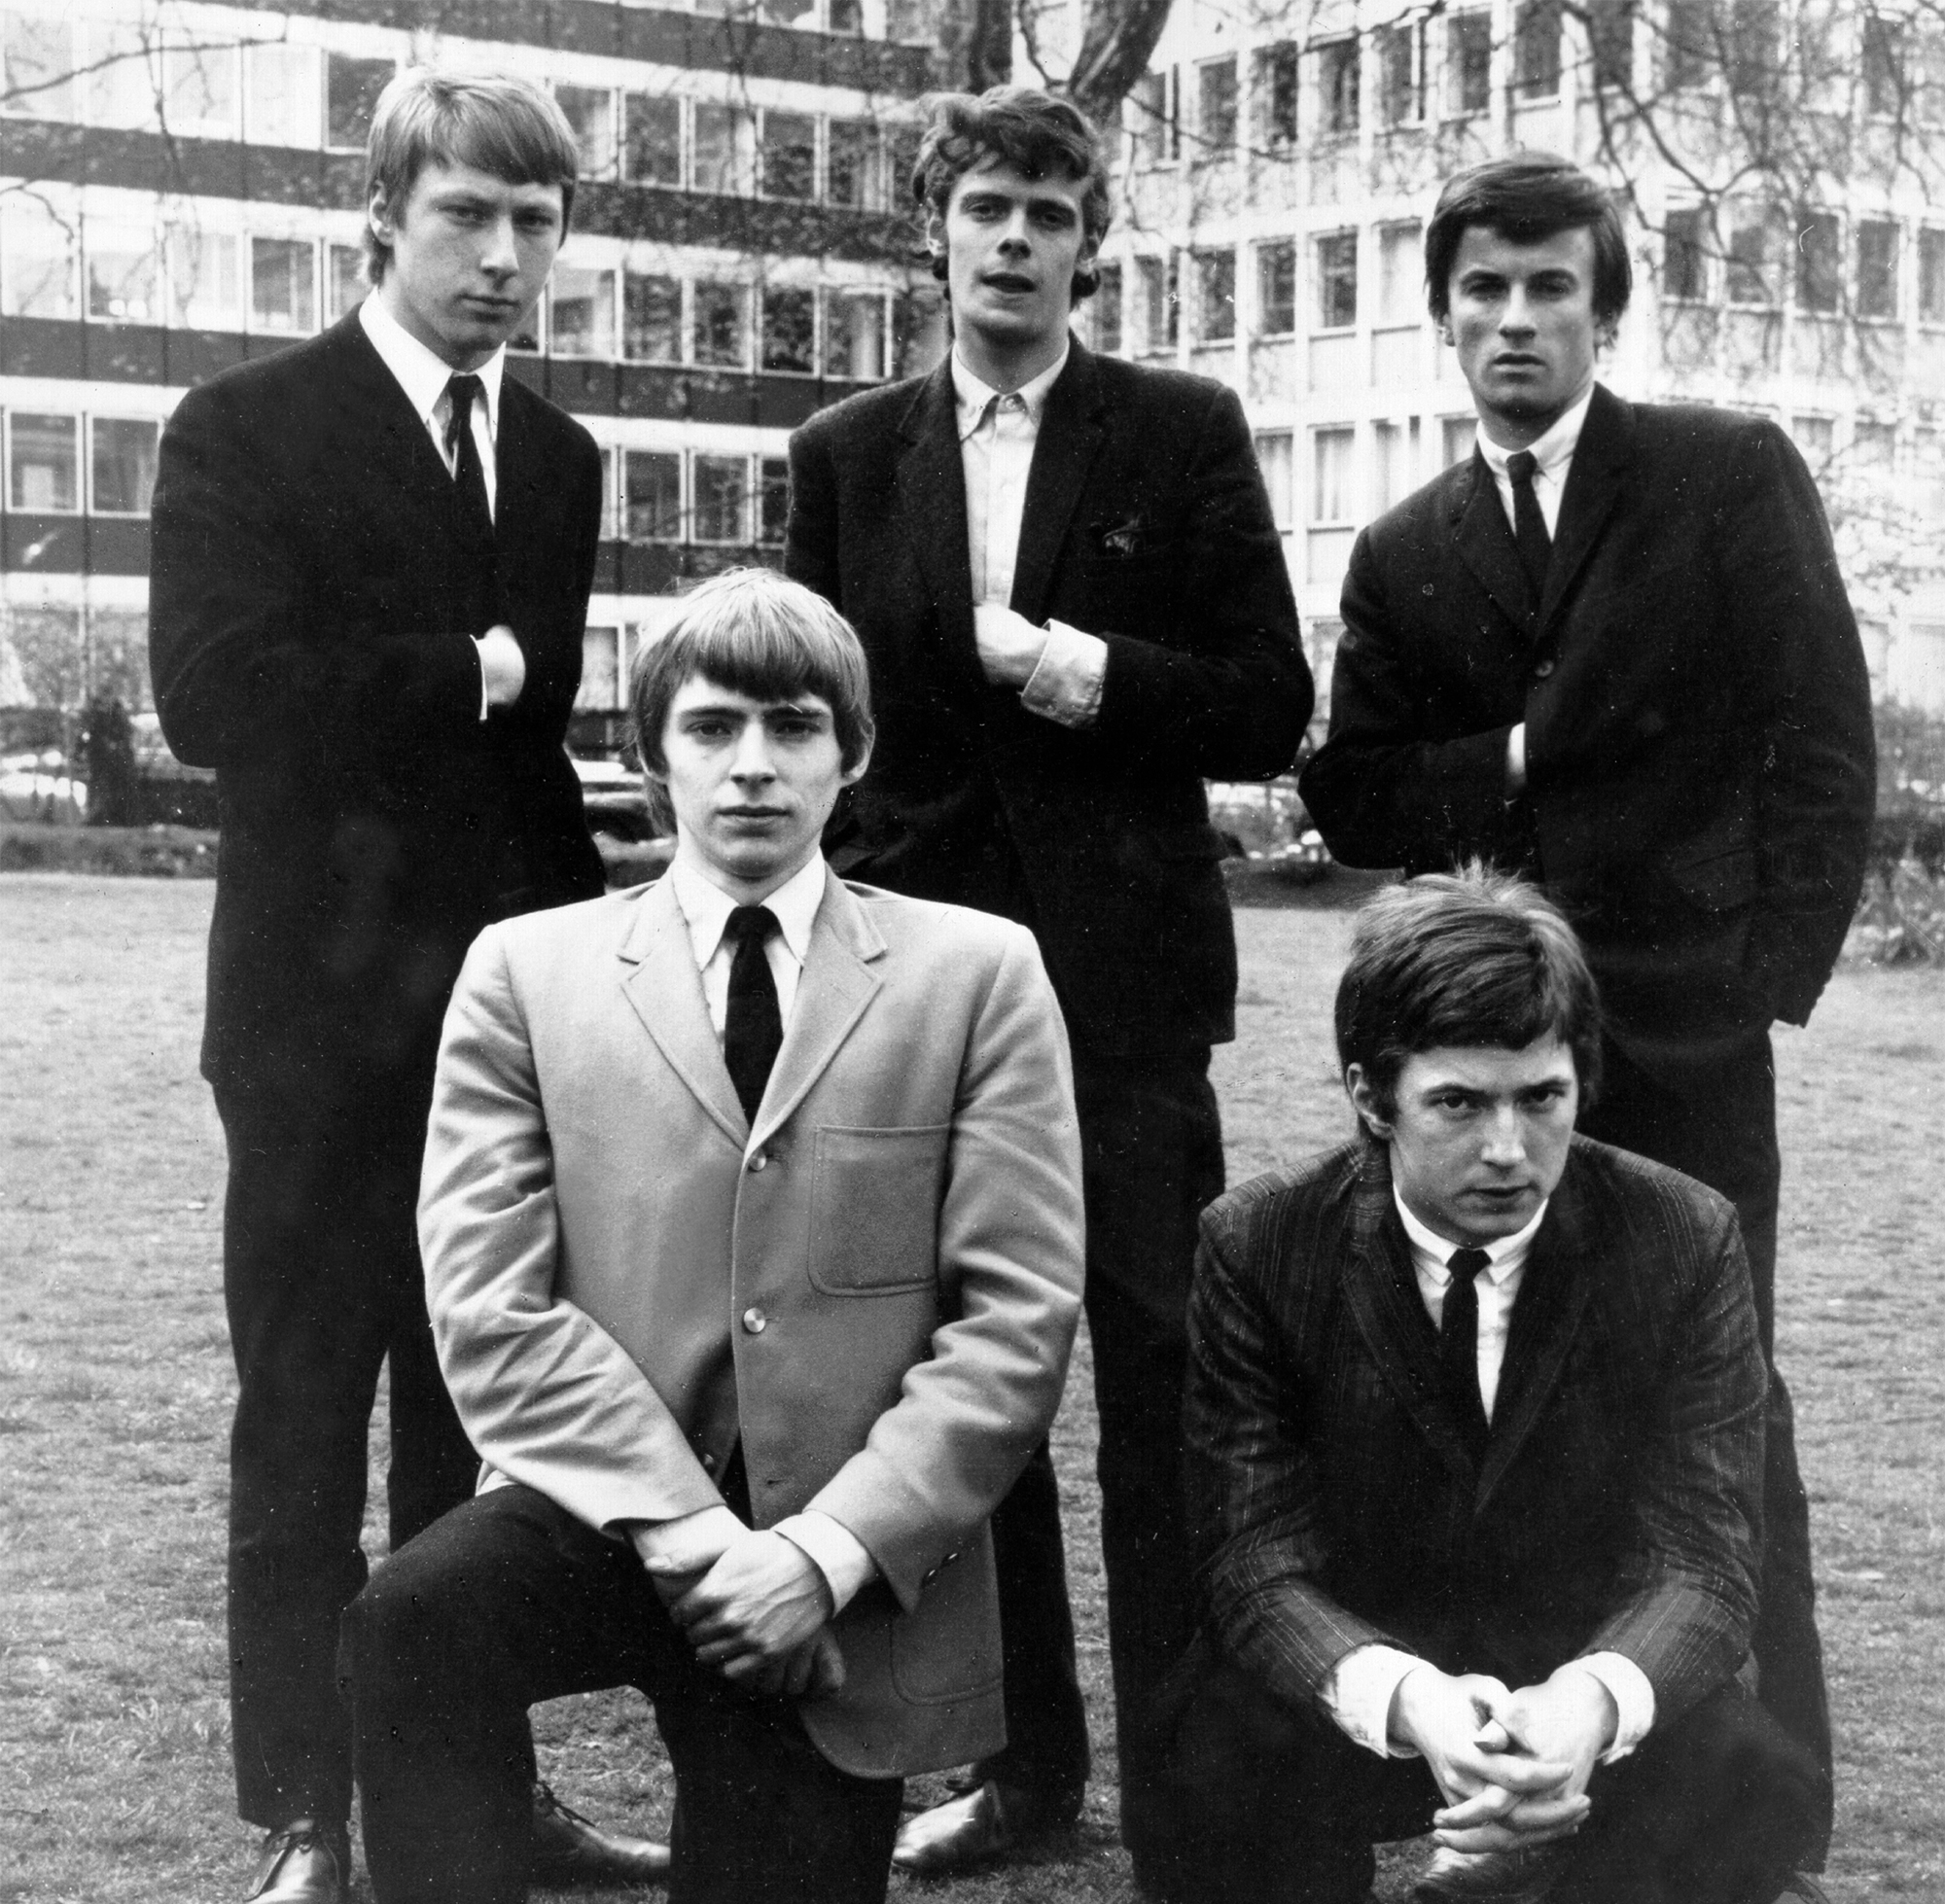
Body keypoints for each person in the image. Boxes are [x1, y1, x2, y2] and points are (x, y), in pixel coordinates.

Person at [336, 567, 1086, 1904]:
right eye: (712, 727)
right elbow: (490, 1306)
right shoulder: (527, 971)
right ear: (651, 752)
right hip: (610, 1507)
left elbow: (1015, 1322)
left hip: (837, 1561)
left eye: (795, 726)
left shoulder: (978, 975)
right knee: (414, 1621)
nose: (753, 767)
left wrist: (817, 1555)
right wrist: (696, 1537)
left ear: (851, 753)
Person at [1297, 152, 1874, 1864]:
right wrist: (1518, 761)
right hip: (1486, 1067)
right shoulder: (1409, 546)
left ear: (1606, 307)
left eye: (1552, 285)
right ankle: (1514, 1788)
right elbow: (1353, 790)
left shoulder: (1722, 476)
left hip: (1689, 1043)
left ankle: (1762, 1802)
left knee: (1721, 1403)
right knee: (1503, 1397)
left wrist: (1760, 975)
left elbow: (1824, 738)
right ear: (1444, 317)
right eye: (1483, 288)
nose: (1516, 318)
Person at [785, 84, 1311, 1888]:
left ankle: (1192, 1798)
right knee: (966, 1395)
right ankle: (1023, 1773)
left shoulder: (1179, 429)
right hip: (919, 991)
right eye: (986, 207)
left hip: (1126, 995)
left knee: (1166, 1385)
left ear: (1094, 243)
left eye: (1049, 213)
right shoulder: (848, 452)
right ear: (931, 228)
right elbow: (809, 715)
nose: (1014, 240)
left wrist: (1088, 668)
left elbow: (1268, 700)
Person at [148, 69, 663, 1903]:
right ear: (384, 212)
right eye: (470, 215)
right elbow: (215, 699)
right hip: (307, 1027)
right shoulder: (243, 426)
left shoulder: (563, 456)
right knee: (304, 1410)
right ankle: (306, 1809)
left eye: (540, 223)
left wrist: (612, 960)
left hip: (501, 1038)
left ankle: (476, 1795)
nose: (508, 257)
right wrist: (472, 663)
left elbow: (522, 773)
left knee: (485, 1423)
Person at [1168, 867, 1827, 1904]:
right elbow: (1250, 1558)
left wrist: (1585, 1704)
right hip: (1372, 1656)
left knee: (1748, 1776)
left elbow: (1704, 1557)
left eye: (1541, 1097)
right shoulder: (1256, 1241)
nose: (1508, 1150)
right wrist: (1412, 1698)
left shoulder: (1682, 1234)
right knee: (1207, 1748)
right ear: (1367, 1096)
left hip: (1584, 1649)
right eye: (1457, 1103)